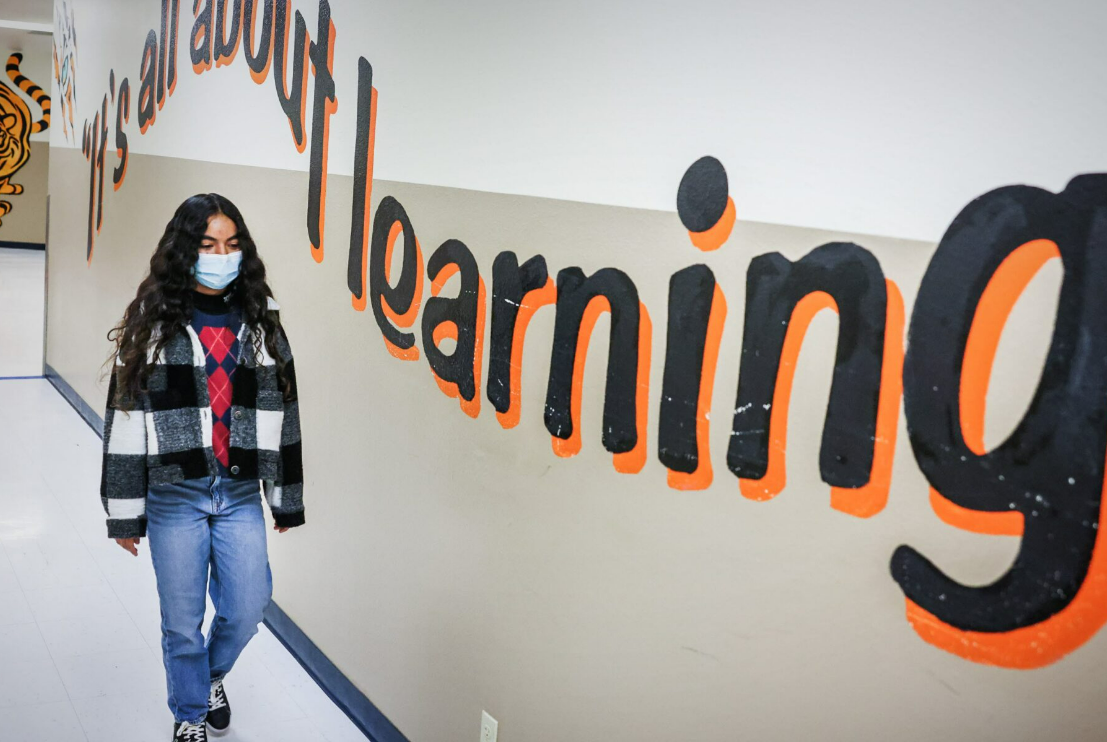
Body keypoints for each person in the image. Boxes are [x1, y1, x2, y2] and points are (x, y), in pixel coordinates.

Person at [98, 193, 305, 741]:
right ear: (185, 251)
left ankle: (210, 678)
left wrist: (286, 498)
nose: (221, 254)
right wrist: (125, 513)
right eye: (208, 244)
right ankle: (189, 713)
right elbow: (125, 419)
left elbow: (285, 414)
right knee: (181, 626)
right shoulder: (152, 325)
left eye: (232, 245)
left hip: (237, 492)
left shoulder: (261, 323)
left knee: (247, 607)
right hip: (175, 495)